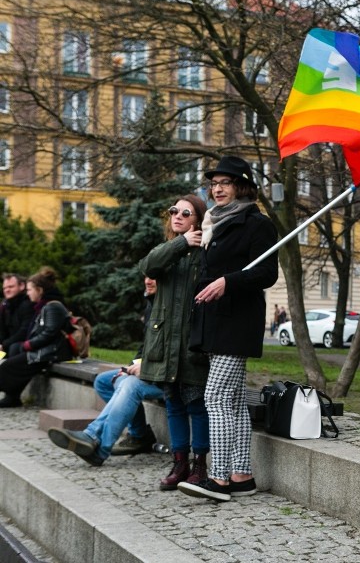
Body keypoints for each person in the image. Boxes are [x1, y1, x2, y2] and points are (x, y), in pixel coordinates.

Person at [177, 155, 277, 502]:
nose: (217, 189)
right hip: (214, 321)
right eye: (214, 184)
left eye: (225, 183)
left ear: (241, 186)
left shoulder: (256, 224)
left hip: (237, 320)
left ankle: (217, 479)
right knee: (232, 402)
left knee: (215, 398)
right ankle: (242, 476)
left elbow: (267, 274)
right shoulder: (212, 223)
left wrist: (227, 282)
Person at [139, 194, 211, 491]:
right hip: (165, 342)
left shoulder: (206, 251)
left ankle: (200, 464)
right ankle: (179, 462)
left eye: (186, 212)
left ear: (198, 219)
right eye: (174, 211)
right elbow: (148, 266)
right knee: (174, 404)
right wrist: (181, 244)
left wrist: (194, 244)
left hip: (192, 343)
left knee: (195, 403)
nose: (178, 216)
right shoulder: (169, 250)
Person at [92, 275, 159, 456]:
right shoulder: (151, 304)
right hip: (151, 369)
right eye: (145, 276)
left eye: (154, 277)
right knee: (103, 381)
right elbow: (145, 347)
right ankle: (139, 435)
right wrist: (131, 367)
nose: (147, 281)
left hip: (169, 376)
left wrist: (145, 368)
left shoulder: (170, 307)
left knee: (128, 385)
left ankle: (96, 445)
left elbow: (174, 351)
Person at [0, 267, 72, 407]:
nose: (28, 293)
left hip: (53, 352)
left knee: (8, 366)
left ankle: (11, 395)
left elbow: (50, 333)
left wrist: (28, 345)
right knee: (14, 352)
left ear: (39, 290)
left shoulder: (52, 306)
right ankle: (12, 397)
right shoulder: (41, 306)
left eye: (29, 290)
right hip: (46, 350)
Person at [0, 273, 35, 357]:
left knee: (14, 348)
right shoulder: (5, 306)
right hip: (8, 346)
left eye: (11, 287)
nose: (7, 290)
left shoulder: (28, 304)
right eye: (4, 288)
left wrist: (4, 345)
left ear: (22, 286)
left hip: (20, 348)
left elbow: (24, 332)